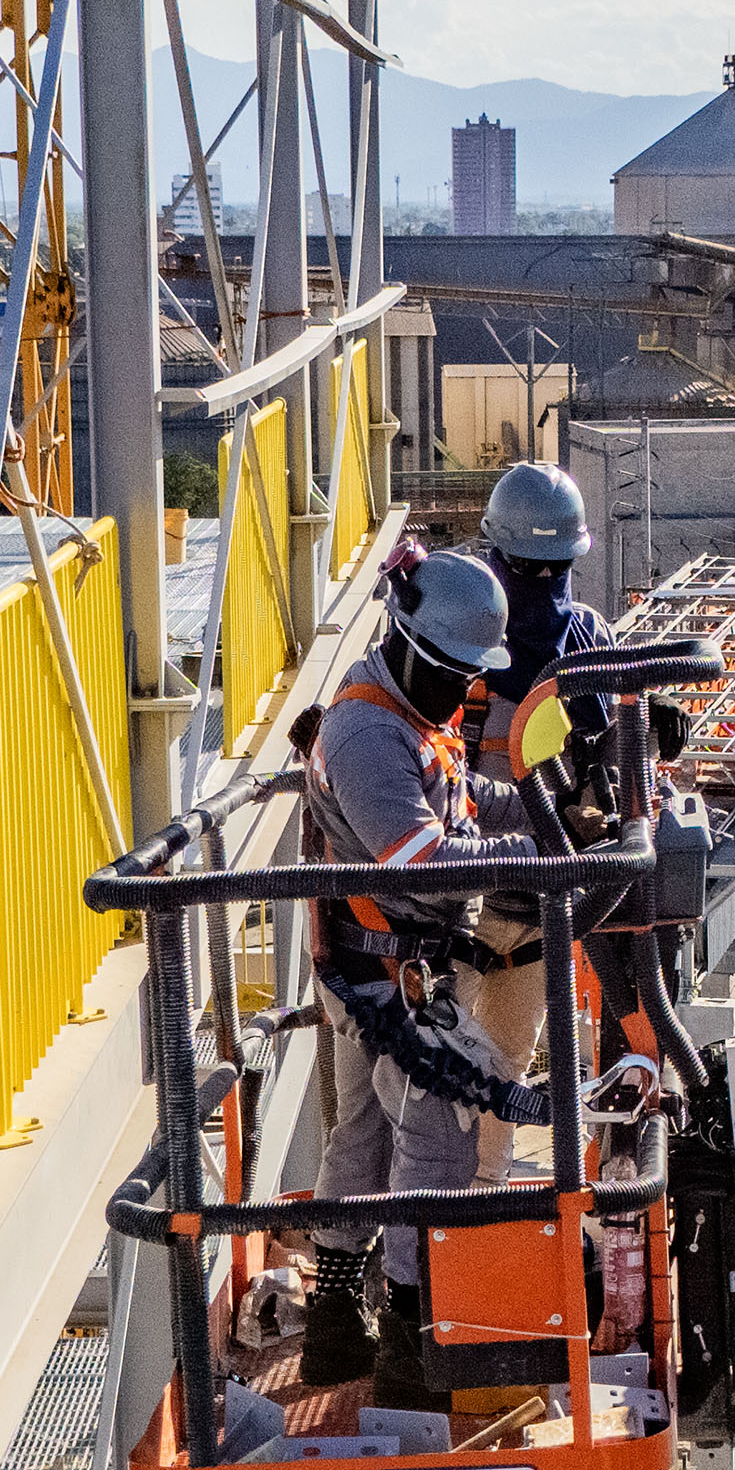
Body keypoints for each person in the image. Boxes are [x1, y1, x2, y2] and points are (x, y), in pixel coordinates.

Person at [296, 548, 539, 1403]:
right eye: (455, 673)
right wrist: (535, 853)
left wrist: (544, 804)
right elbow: (424, 855)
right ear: (407, 645)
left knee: (363, 1131)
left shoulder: (406, 715)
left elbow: (460, 795)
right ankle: (411, 1338)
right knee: (432, 1145)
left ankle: (334, 1325)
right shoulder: (367, 731)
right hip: (385, 979)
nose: (466, 691)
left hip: (378, 968)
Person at [454, 463, 615, 1193]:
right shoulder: (456, 645)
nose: (545, 585)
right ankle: (422, 1233)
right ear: (498, 559)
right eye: (531, 570)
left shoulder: (585, 642)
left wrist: (644, 733)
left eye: (556, 571)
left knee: (505, 1071)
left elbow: (612, 769)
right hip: (453, 907)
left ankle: (478, 1210)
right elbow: (432, 781)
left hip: (539, 913)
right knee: (430, 1073)